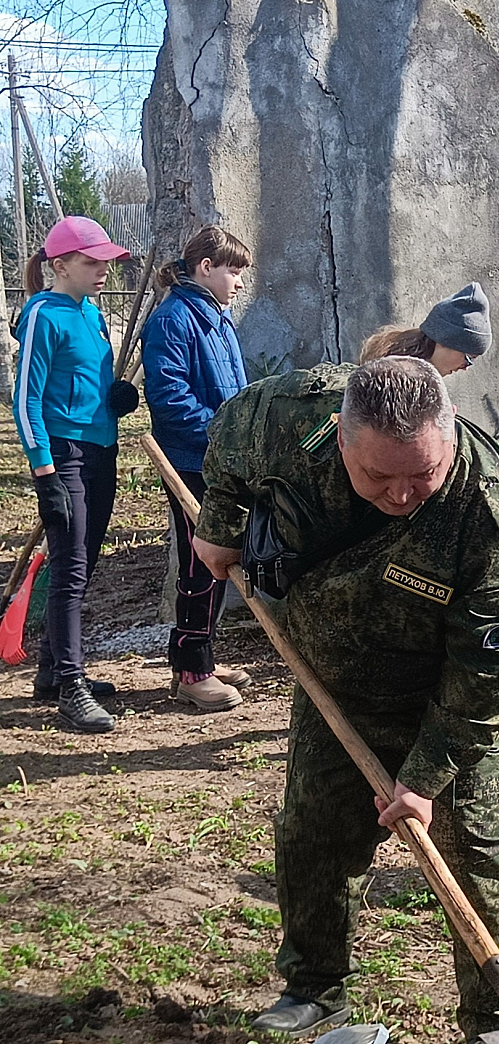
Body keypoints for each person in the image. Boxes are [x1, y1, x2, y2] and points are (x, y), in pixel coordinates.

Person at [192, 356, 499, 1044]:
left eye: (423, 474)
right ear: (340, 438)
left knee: (470, 844)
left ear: (449, 436)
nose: (402, 493)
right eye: (378, 476)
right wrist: (219, 526)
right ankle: (315, 988)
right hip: (338, 672)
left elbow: (489, 672)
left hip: (453, 693)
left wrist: (423, 777)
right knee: (315, 827)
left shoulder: (494, 522)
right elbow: (229, 437)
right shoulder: (284, 417)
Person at [12, 216, 132, 733]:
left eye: (107, 261)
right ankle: (71, 686)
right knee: (70, 568)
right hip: (64, 456)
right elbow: (25, 400)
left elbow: (83, 383)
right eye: (92, 261)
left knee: (85, 562)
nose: (103, 270)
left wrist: (114, 400)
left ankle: (50, 672)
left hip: (102, 449)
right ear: (60, 265)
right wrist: (45, 474)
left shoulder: (93, 314)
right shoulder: (44, 314)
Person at [142, 225, 254, 712]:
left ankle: (197, 658)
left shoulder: (216, 318)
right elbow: (170, 400)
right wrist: (224, 434)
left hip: (219, 460)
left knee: (216, 558)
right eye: (234, 271)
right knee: (199, 563)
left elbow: (235, 390)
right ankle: (193, 673)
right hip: (190, 460)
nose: (240, 282)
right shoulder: (173, 320)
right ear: (205, 267)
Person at [359, 282, 491, 375]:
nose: (465, 368)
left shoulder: (403, 372)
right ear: (445, 340)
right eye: (469, 358)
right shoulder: (394, 381)